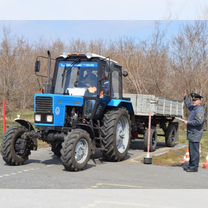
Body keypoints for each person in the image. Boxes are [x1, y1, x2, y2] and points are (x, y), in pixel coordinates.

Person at [183, 92, 205, 172]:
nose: (193, 102)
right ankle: (191, 165)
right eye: (193, 100)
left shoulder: (199, 109)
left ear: (200, 101)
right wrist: (185, 97)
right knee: (192, 150)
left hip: (195, 133)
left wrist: (188, 122)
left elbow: (199, 121)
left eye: (195, 100)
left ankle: (194, 167)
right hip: (192, 133)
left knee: (194, 151)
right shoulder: (194, 108)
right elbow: (189, 105)